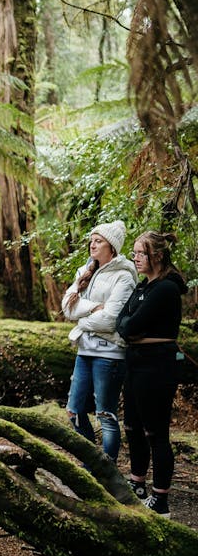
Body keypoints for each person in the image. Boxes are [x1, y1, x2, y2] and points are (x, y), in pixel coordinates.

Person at [117, 231, 187, 518]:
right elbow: (121, 322)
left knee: (155, 431)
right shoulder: (142, 287)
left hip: (157, 364)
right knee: (132, 426)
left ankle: (161, 499)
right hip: (134, 362)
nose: (135, 257)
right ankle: (137, 483)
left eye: (140, 253)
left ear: (156, 255)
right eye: (134, 252)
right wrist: (130, 325)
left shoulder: (166, 289)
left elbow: (131, 326)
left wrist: (131, 326)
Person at [61, 220, 137, 462]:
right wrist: (95, 307)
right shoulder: (86, 271)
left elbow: (111, 320)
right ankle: (92, 463)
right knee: (74, 411)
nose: (92, 245)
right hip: (85, 351)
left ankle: (109, 471)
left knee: (105, 415)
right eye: (91, 241)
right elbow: (67, 308)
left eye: (98, 241)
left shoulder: (124, 277)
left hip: (110, 354)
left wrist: (82, 322)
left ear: (112, 247)